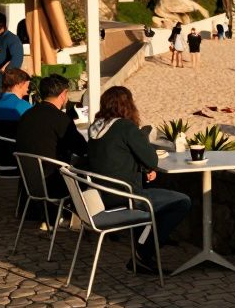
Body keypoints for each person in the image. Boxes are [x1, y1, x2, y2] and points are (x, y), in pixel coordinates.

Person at [85, 86, 192, 274]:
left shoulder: (96, 127)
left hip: (99, 195)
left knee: (158, 197)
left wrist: (141, 168)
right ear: (128, 105)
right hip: (123, 196)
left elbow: (116, 157)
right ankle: (143, 253)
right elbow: (152, 159)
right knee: (182, 202)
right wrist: (143, 146)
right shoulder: (125, 127)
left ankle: (145, 242)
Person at [15, 74, 88, 221]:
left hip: (28, 179)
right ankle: (84, 216)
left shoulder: (26, 115)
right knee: (87, 168)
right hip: (53, 181)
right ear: (63, 94)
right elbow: (82, 148)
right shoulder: (60, 119)